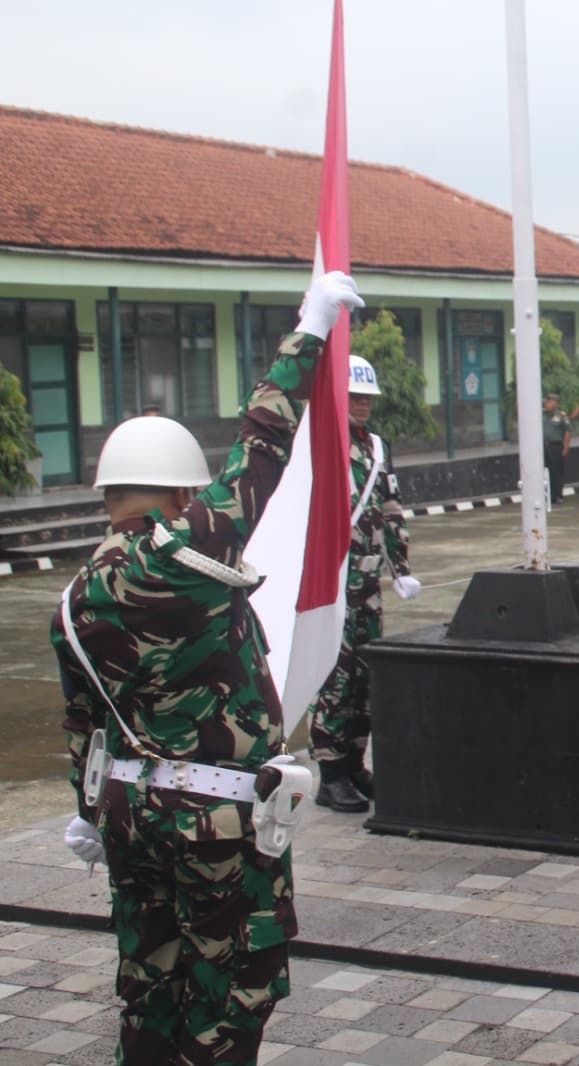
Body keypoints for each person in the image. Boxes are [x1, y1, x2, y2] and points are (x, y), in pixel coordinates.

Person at [52, 271, 364, 1064]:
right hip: (215, 823)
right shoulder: (182, 556)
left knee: (149, 979)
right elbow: (262, 445)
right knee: (231, 994)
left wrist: (88, 813)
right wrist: (311, 328)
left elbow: (83, 725)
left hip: (131, 815)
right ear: (179, 492)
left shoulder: (76, 593)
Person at [309, 353, 418, 813]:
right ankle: (330, 773)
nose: (363, 404)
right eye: (354, 396)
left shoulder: (376, 446)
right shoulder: (320, 445)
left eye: (367, 397)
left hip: (368, 583)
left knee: (365, 677)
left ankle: (355, 763)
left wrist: (401, 567)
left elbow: (390, 509)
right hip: (332, 585)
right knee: (334, 679)